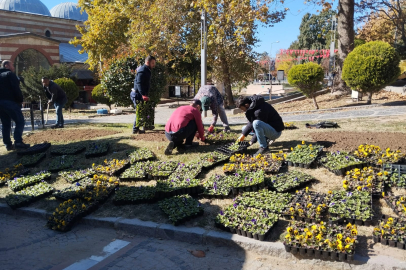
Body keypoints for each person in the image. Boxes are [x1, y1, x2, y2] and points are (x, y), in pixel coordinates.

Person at [0, 60, 30, 150]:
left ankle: (8, 145)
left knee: (5, 124)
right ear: (6, 65)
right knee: (20, 121)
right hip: (9, 102)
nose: (13, 67)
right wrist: (20, 100)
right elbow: (16, 89)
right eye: (12, 65)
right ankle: (18, 142)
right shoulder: (9, 74)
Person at [131, 55, 156, 134]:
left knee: (142, 111)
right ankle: (135, 129)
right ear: (148, 62)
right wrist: (143, 94)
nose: (153, 65)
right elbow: (139, 83)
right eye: (152, 63)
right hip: (137, 94)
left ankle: (143, 127)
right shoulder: (143, 70)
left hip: (140, 94)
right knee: (139, 111)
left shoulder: (146, 70)